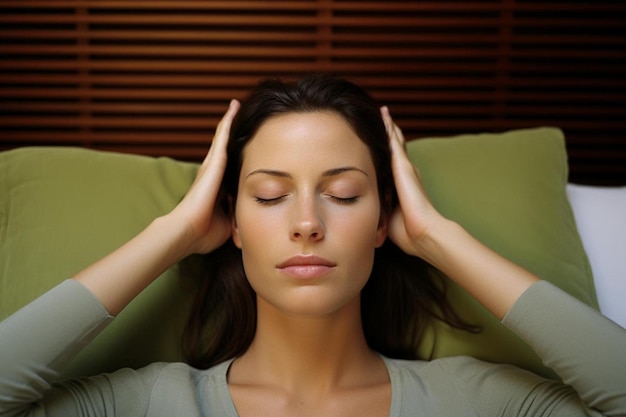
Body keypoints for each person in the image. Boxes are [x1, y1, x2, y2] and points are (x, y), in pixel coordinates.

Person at [0, 75, 624, 417]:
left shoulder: (476, 400)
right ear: (234, 224)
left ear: (384, 221)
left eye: (346, 195)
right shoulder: (148, 402)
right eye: (269, 196)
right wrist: (175, 233)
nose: (306, 223)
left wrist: (439, 237)